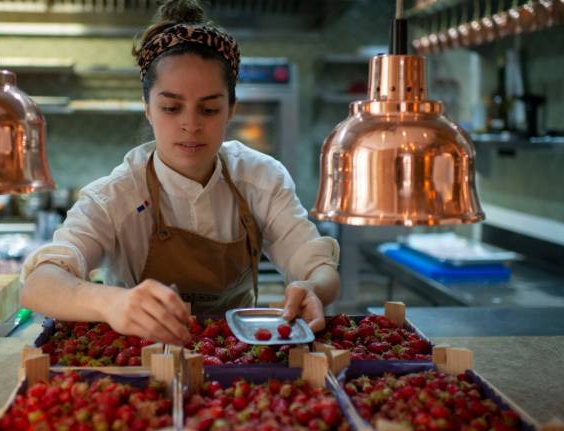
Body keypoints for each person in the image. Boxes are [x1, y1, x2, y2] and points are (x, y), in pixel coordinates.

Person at [20, 0, 340, 346]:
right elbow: (40, 285)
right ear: (148, 110)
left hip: (237, 353)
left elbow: (316, 267)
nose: (190, 124)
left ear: (231, 109)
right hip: (141, 358)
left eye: (210, 108)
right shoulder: (116, 194)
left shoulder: (260, 178)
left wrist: (312, 288)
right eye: (171, 107)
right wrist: (111, 302)